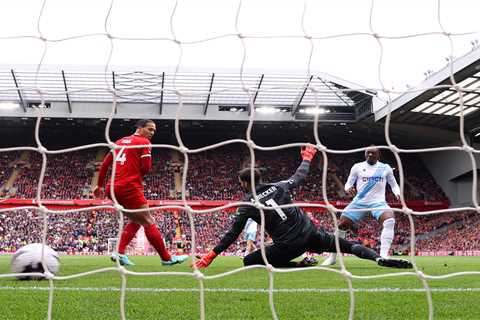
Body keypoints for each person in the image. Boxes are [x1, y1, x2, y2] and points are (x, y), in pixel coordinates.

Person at [194, 146, 411, 270]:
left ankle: (301, 265)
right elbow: (300, 176)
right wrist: (307, 158)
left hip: (287, 246)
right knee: (347, 245)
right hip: (311, 234)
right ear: (261, 177)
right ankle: (378, 258)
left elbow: (233, 233)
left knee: (249, 261)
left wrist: (211, 255)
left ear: (243, 184)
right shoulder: (279, 186)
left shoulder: (246, 205)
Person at [93, 119, 188, 266]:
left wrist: (98, 186)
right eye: (150, 129)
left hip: (112, 188)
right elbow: (146, 168)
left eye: (154, 131)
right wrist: (135, 171)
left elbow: (105, 164)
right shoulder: (143, 142)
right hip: (129, 187)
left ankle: (119, 252)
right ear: (140, 128)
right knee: (149, 221)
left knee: (137, 220)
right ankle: (166, 258)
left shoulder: (119, 141)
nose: (152, 133)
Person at [322, 146, 400, 266]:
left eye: (372, 153)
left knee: (389, 220)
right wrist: (348, 189)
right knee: (341, 225)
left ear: (378, 155)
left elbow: (393, 184)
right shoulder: (357, 167)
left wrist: (397, 193)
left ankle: (384, 255)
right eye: (367, 153)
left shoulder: (385, 168)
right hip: (359, 202)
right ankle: (332, 257)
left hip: (378, 202)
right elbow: (348, 184)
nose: (369, 155)